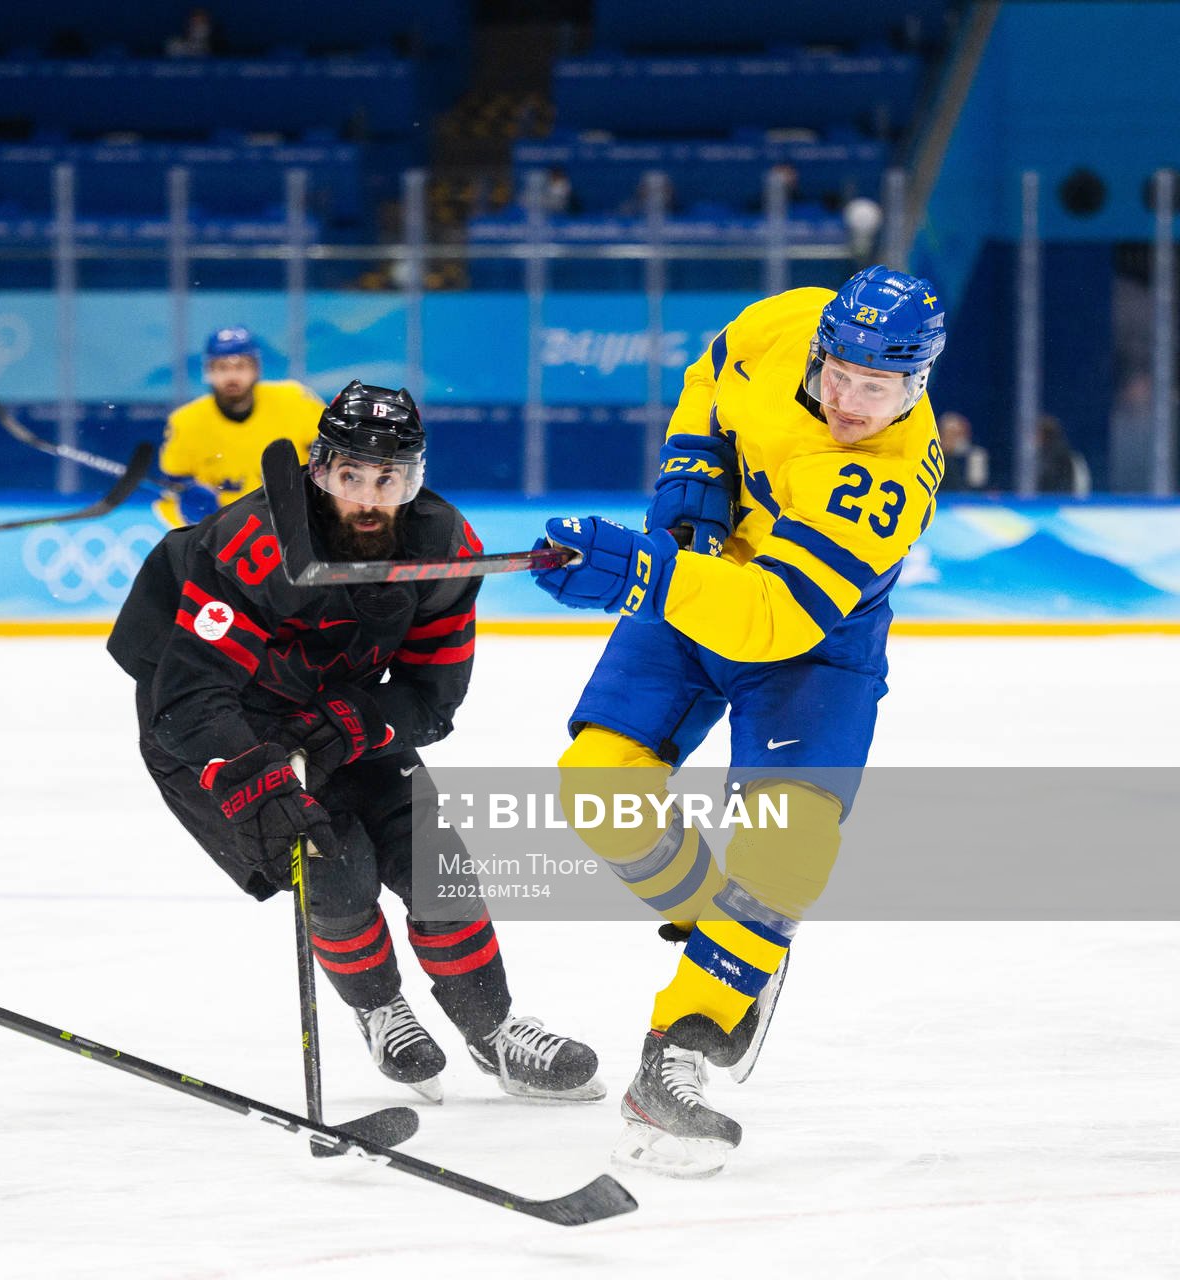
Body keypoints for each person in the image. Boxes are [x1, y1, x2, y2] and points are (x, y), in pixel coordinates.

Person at [527, 266, 948, 1177]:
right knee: (596, 789)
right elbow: (711, 378)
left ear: (917, 385)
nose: (847, 400)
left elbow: (771, 619)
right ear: (824, 341)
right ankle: (731, 931)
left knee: (787, 846)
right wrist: (692, 477)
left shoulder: (885, 478)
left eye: (876, 389)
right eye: (838, 374)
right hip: (703, 576)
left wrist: (642, 573)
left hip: (813, 640)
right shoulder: (783, 322)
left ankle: (681, 1044)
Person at [110, 381, 603, 1104]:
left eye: (391, 478)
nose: (371, 499)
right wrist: (260, 781)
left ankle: (493, 1030)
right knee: (334, 868)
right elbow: (187, 701)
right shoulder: (253, 547)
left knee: (440, 866)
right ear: (318, 471)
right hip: (216, 731)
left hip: (339, 717)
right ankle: (379, 1008)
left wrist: (350, 723)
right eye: (352, 476)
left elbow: (432, 699)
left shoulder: (442, 549)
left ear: (416, 479)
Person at [155, 327, 323, 528]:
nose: (232, 376)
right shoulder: (185, 423)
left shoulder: (295, 401)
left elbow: (334, 456)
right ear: (208, 372)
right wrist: (188, 517)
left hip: (297, 529)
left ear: (256, 369)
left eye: (241, 366)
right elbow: (170, 495)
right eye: (222, 367)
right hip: (226, 540)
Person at [937, 411, 988, 492]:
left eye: (959, 434)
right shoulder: (935, 457)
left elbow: (978, 486)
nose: (957, 439)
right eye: (951, 434)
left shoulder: (975, 456)